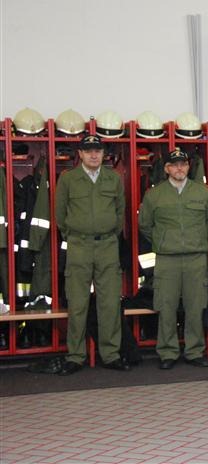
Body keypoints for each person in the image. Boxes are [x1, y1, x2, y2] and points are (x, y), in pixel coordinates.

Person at [55, 134, 128, 375]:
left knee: (110, 303)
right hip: (79, 245)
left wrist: (108, 233)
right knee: (77, 303)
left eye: (98, 150)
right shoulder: (68, 179)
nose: (94, 155)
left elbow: (119, 213)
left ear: (103, 153)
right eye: (89, 151)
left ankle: (110, 355)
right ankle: (76, 356)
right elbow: (60, 214)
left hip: (107, 245)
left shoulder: (113, 178)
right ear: (80, 154)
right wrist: (74, 235)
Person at [138, 148, 208, 370]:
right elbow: (145, 225)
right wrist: (164, 241)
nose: (179, 168)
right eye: (174, 165)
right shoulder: (154, 195)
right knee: (166, 306)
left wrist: (196, 238)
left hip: (195, 258)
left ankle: (194, 351)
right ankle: (168, 352)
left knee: (195, 306)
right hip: (167, 259)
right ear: (167, 169)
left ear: (188, 167)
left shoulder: (202, 192)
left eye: (183, 164)